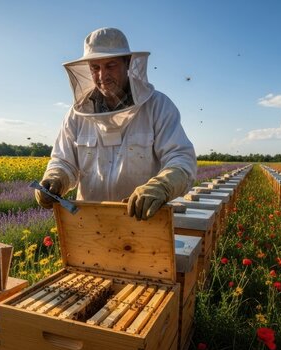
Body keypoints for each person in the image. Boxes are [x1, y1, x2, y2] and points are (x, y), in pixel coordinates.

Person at [35, 27, 197, 220]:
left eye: (110, 65)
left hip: (142, 222)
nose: (102, 76)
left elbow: (181, 158)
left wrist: (162, 186)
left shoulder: (157, 106)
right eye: (95, 68)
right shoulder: (77, 115)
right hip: (89, 223)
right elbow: (63, 161)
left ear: (127, 63)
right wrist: (56, 177)